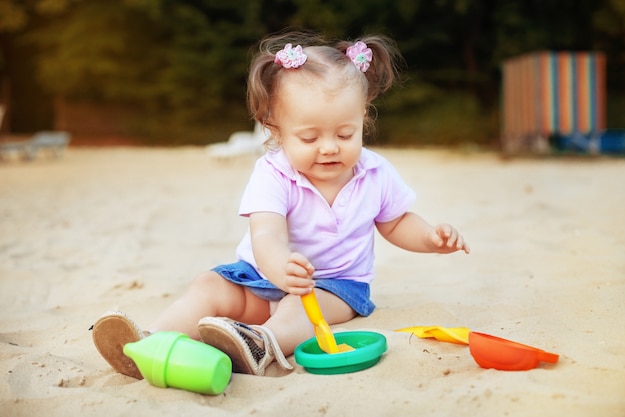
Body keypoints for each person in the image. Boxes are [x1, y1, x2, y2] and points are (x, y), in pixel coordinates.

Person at [91, 31, 470, 378]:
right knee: (209, 285)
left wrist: (431, 237)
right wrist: (278, 266)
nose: (329, 147)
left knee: (301, 307)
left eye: (345, 133)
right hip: (261, 277)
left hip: (336, 287)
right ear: (276, 131)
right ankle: (148, 342)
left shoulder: (374, 173)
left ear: (363, 119)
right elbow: (267, 232)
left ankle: (259, 343)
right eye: (309, 137)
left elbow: (396, 221)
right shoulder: (273, 173)